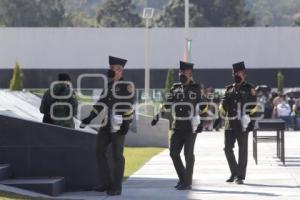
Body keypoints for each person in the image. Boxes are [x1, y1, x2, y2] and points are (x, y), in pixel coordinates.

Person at [80, 56, 134, 196]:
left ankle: (117, 187)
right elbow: (100, 104)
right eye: (111, 68)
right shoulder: (109, 86)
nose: (112, 70)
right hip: (106, 123)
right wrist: (90, 117)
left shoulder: (127, 86)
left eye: (115, 68)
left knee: (117, 156)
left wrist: (126, 124)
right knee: (99, 151)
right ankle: (105, 183)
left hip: (119, 124)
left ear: (120, 71)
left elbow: (129, 106)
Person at [151, 61, 208, 190]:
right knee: (173, 153)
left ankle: (187, 183)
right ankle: (183, 178)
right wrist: (158, 115)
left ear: (190, 73)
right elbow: (168, 104)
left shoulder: (196, 88)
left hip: (190, 126)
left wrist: (202, 123)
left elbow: (203, 107)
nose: (181, 74)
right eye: (180, 72)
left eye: (184, 72)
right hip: (177, 126)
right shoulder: (175, 88)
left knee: (188, 154)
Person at [219, 61, 257, 185]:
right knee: (227, 149)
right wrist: (222, 107)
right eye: (234, 73)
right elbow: (223, 106)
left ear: (244, 74)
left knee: (243, 150)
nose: (236, 74)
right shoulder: (228, 89)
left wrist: (252, 122)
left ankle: (240, 176)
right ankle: (234, 172)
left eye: (239, 72)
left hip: (243, 123)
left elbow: (253, 107)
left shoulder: (249, 88)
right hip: (230, 123)